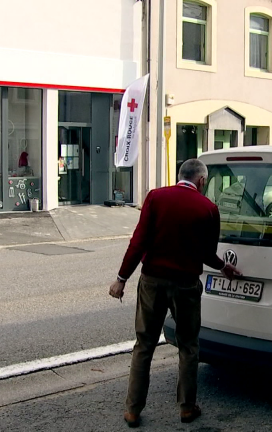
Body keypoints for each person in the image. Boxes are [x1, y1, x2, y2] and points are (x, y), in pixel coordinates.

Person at [109, 158, 241, 428]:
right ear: (201, 181)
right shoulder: (208, 209)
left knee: (144, 345)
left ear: (179, 175)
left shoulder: (156, 198)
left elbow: (139, 241)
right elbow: (206, 253)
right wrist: (223, 266)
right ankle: (186, 408)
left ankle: (133, 410)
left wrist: (122, 278)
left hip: (152, 282)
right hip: (186, 286)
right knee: (189, 346)